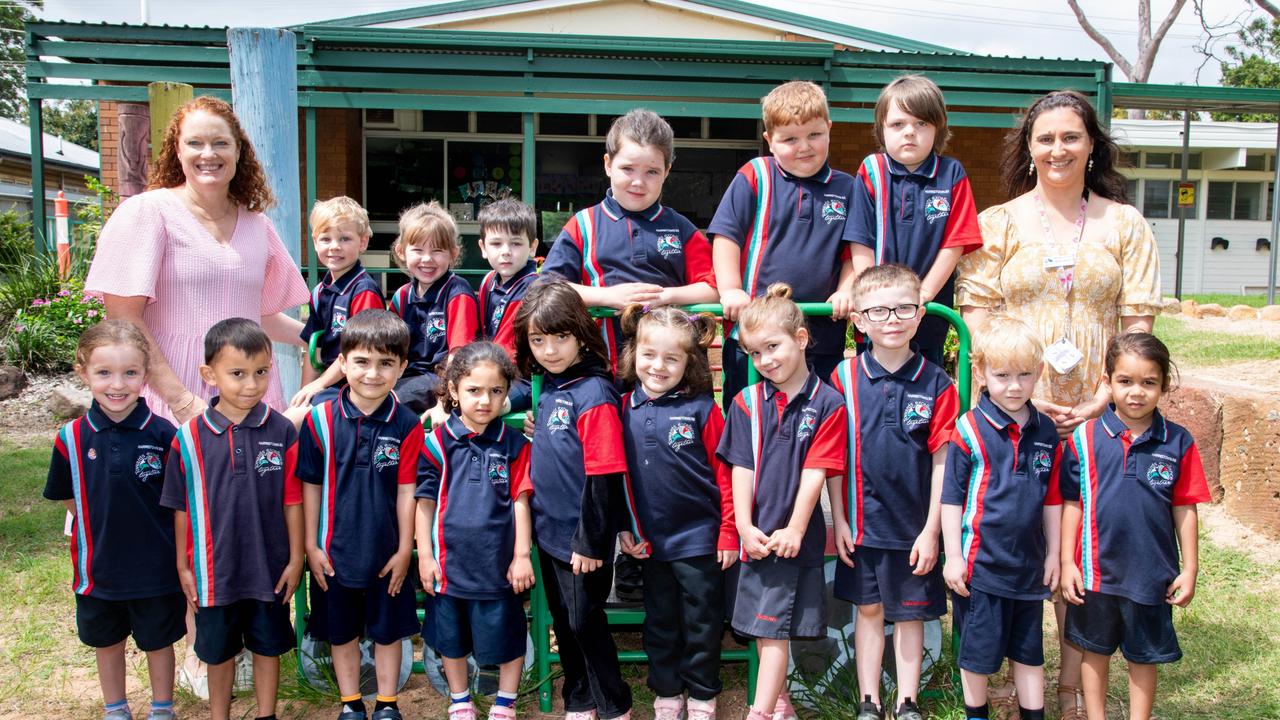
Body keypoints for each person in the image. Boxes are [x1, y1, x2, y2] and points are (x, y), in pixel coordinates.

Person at [955, 89, 1163, 719]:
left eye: (1070, 137)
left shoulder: (1124, 223)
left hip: (1102, 412)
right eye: (1045, 139)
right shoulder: (998, 222)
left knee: (1080, 551)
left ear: (1092, 143)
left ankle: (1071, 687)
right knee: (1015, 537)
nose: (1058, 149)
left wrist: (1103, 398)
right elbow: (975, 317)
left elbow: (1138, 321)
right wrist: (1029, 394)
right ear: (1029, 147)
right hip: (1020, 409)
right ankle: (994, 674)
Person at [85, 95, 310, 426]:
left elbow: (257, 315)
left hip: (246, 391)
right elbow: (124, 319)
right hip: (172, 393)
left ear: (238, 151)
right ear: (178, 151)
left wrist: (322, 339)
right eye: (195, 143)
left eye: (220, 142)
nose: (208, 154)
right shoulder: (148, 212)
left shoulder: (257, 224)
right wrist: (180, 399)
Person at [828, 264, 959, 720]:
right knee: (867, 611)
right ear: (858, 320)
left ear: (920, 314)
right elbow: (833, 457)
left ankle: (907, 702)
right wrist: (840, 519)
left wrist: (932, 532)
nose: (892, 319)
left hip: (913, 527)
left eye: (904, 308)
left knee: (908, 616)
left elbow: (943, 460)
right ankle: (869, 700)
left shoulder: (938, 383)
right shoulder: (842, 379)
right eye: (878, 310)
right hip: (862, 526)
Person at [160, 318, 305, 720]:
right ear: (210, 375)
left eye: (261, 372)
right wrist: (182, 565)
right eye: (237, 373)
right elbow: (180, 506)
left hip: (269, 567)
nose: (251, 384)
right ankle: (218, 714)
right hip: (213, 572)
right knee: (218, 651)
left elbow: (293, 501)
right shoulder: (188, 438)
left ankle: (266, 714)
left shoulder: (281, 431)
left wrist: (295, 559)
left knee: (267, 646)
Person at [1059, 333, 1208, 720]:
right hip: (1095, 573)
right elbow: (1071, 504)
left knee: (1144, 655)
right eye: (1125, 381)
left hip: (1150, 574)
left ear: (1164, 386)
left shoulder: (1178, 442)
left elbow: (1185, 508)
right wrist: (1066, 562)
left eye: (1149, 383)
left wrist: (1189, 568)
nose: (1136, 393)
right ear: (1106, 382)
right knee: (1095, 649)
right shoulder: (1085, 439)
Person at [716, 283, 847, 720]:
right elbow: (740, 467)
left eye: (772, 346)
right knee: (760, 624)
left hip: (789, 537)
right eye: (754, 353)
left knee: (771, 632)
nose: (764, 361)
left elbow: (816, 472)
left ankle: (761, 711)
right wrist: (743, 527)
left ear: (802, 339)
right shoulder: (746, 402)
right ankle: (782, 704)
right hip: (756, 535)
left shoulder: (829, 403)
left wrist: (793, 527)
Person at [43, 320, 184, 720]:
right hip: (98, 569)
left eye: (130, 373)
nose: (117, 384)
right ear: (82, 372)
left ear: (145, 374)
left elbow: (178, 500)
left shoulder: (163, 434)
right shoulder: (70, 438)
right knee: (107, 641)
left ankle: (162, 707)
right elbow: (70, 498)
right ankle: (115, 707)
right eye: (104, 373)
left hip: (155, 568)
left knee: (159, 641)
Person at [514, 278, 633, 720]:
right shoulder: (549, 387)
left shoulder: (595, 393)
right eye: (538, 339)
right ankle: (579, 697)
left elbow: (604, 474)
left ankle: (615, 702)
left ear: (582, 336)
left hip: (582, 537)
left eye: (561, 337)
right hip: (548, 532)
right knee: (564, 622)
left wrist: (589, 541)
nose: (549, 350)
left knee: (585, 620)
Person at [298, 310, 422, 720]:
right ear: (343, 362)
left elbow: (408, 490)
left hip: (387, 554)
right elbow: (310, 484)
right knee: (342, 632)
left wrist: (406, 549)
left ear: (402, 367)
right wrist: (311, 545)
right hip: (335, 554)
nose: (373, 373)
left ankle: (387, 703)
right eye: (362, 362)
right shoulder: (318, 420)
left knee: (388, 634)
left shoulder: (406, 424)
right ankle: (350, 703)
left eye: (386, 363)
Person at [615, 304, 735, 720]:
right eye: (650, 354)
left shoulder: (703, 409)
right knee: (661, 620)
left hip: (700, 537)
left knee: (702, 621)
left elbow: (725, 475)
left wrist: (728, 531)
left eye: (672, 358)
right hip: (650, 540)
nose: (658, 366)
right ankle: (667, 690)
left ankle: (702, 693)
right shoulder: (620, 409)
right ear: (634, 354)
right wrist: (625, 530)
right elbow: (614, 478)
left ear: (690, 362)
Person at [941, 316, 1062, 720]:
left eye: (1025, 375)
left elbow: (1052, 500)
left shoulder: (1046, 432)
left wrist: (1054, 556)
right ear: (981, 372)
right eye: (1003, 375)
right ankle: (977, 714)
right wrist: (954, 558)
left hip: (1029, 567)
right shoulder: (969, 430)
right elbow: (951, 498)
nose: (1014, 385)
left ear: (1039, 372)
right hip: (982, 567)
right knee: (978, 653)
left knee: (1030, 650)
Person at [708, 80, 857, 408]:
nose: (804, 147)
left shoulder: (848, 188)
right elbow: (726, 237)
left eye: (814, 135)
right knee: (749, 418)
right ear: (770, 141)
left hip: (820, 335)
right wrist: (730, 289)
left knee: (816, 420)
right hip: (755, 337)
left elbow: (852, 252)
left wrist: (846, 289)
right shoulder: (755, 175)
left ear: (830, 129)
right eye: (790, 139)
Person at [541, 109, 717, 370]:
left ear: (667, 171)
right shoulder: (583, 225)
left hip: (670, 372)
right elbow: (547, 287)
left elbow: (712, 290)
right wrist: (607, 296)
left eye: (652, 172)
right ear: (608, 164)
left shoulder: (681, 228)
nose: (638, 181)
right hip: (602, 370)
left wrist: (666, 296)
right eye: (627, 169)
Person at [417, 341, 535, 720]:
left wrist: (520, 556)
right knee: (450, 640)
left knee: (509, 636)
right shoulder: (435, 445)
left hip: (497, 569)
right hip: (449, 571)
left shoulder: (515, 445)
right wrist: (426, 557)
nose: (485, 400)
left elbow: (520, 501)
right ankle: (460, 699)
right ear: (453, 390)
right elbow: (424, 505)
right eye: (473, 390)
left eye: (496, 391)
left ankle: (505, 701)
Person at [846, 75, 983, 365]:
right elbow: (860, 239)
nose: (909, 132)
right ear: (881, 129)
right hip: (878, 315)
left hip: (927, 313)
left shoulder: (951, 174)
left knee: (926, 395)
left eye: (921, 123)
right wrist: (872, 297)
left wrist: (924, 294)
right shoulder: (871, 170)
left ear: (938, 127)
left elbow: (955, 243)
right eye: (898, 124)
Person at [290, 196, 385, 412]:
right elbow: (313, 349)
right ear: (314, 242)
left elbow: (362, 351)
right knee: (297, 414)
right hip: (331, 382)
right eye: (326, 239)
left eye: (344, 238)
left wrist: (320, 384)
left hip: (360, 384)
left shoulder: (364, 291)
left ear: (363, 242)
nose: (334, 247)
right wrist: (306, 391)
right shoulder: (319, 292)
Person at [388, 201, 480, 414]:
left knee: (387, 401)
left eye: (437, 250)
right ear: (402, 251)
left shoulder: (458, 293)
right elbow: (389, 347)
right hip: (406, 374)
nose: (427, 259)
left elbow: (460, 356)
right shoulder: (402, 296)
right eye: (418, 250)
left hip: (439, 378)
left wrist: (444, 401)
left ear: (453, 254)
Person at [476, 198, 540, 413]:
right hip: (492, 368)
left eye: (516, 243)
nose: (505, 251)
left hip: (526, 378)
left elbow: (509, 350)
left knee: (492, 405)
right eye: (496, 243)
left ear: (532, 247)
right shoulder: (488, 281)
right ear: (483, 248)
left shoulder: (534, 287)